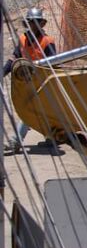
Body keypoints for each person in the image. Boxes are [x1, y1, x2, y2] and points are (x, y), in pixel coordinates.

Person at [4, 8, 57, 155]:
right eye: (31, 22)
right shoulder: (23, 39)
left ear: (42, 23)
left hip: (43, 82)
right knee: (41, 112)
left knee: (29, 110)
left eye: (36, 22)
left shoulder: (47, 42)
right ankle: (52, 139)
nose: (33, 25)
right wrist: (3, 71)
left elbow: (53, 63)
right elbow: (14, 58)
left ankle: (15, 142)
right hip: (26, 81)